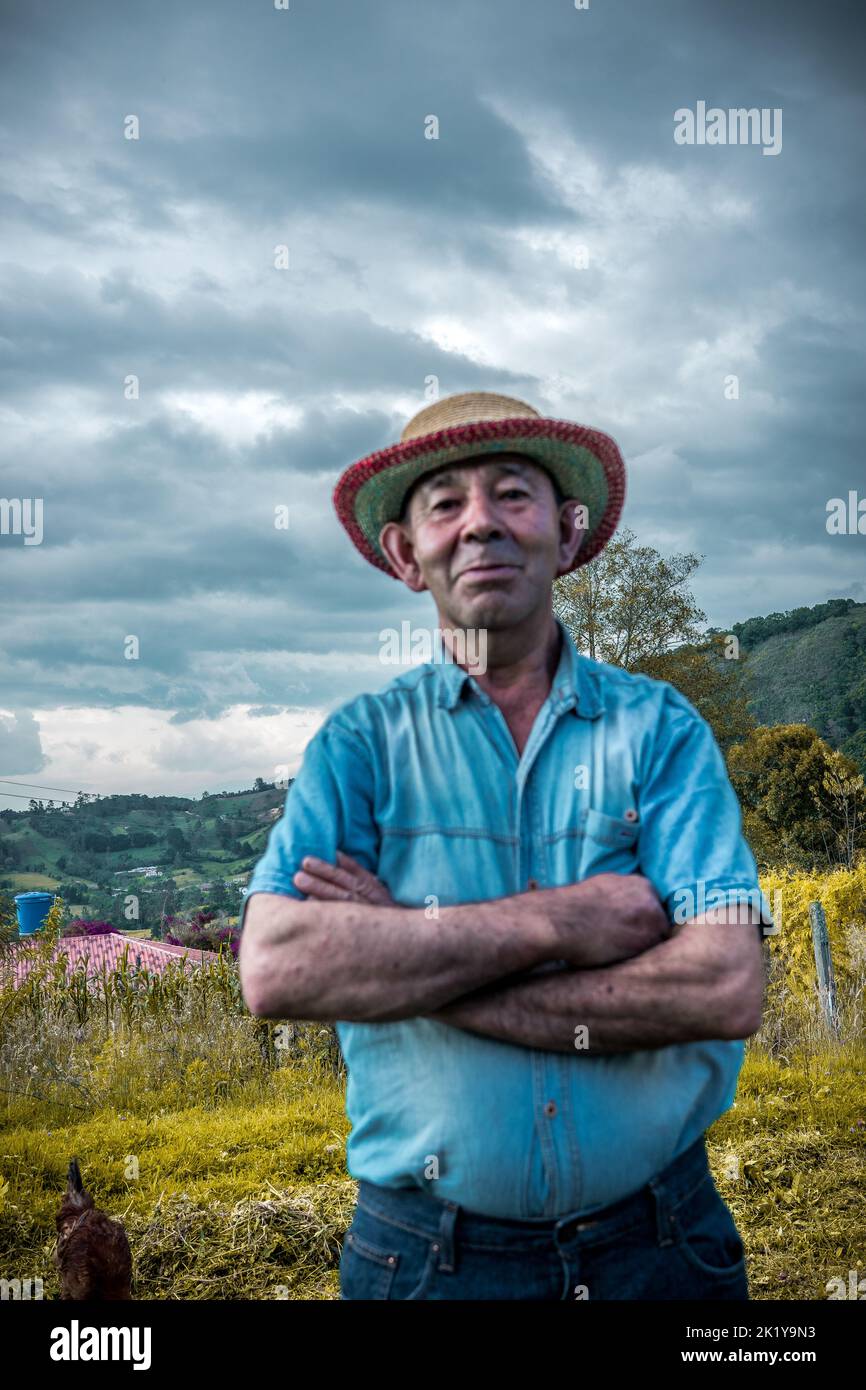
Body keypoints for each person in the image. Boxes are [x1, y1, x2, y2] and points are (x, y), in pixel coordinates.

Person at [238, 390, 771, 1300]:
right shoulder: (360, 746)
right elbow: (278, 971)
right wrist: (565, 918)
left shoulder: (661, 731)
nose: (481, 523)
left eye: (513, 493)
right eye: (446, 502)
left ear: (565, 536)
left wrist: (408, 956)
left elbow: (725, 983)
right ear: (408, 554)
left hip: (662, 1245)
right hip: (428, 1260)